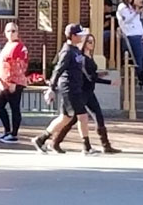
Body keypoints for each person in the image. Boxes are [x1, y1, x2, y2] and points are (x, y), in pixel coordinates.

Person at [48, 32, 121, 154]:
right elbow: (89, 77)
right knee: (72, 119)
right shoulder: (80, 57)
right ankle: (55, 141)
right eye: (89, 41)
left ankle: (105, 145)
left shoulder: (88, 57)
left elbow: (91, 74)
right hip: (81, 91)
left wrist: (100, 74)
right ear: (84, 43)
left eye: (93, 42)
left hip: (89, 92)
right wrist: (109, 82)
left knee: (97, 116)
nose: (91, 44)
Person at [33, 24, 97, 156]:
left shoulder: (75, 50)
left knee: (65, 118)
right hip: (69, 88)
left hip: (76, 87)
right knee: (83, 117)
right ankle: (87, 147)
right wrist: (51, 88)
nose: (81, 37)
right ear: (72, 36)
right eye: (78, 35)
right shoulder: (67, 51)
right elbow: (58, 69)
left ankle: (41, 139)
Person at [0, 21, 27, 143]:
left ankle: (14, 134)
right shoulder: (7, 45)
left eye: (14, 31)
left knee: (14, 108)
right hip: (2, 82)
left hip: (14, 83)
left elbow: (20, 65)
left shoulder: (19, 47)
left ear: (17, 32)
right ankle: (7, 130)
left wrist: (13, 82)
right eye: (8, 31)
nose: (11, 33)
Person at [116, 0, 143, 85]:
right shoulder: (122, 7)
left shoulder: (132, 7)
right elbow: (126, 20)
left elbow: (138, 23)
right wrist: (135, 13)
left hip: (138, 33)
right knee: (139, 54)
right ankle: (141, 77)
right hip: (130, 34)